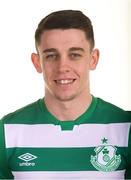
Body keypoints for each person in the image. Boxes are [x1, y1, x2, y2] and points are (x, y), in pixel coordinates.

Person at [0, 10, 131, 179]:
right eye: (51, 56)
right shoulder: (7, 132)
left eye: (74, 55)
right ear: (37, 62)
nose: (63, 67)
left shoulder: (126, 127)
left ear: (93, 59)